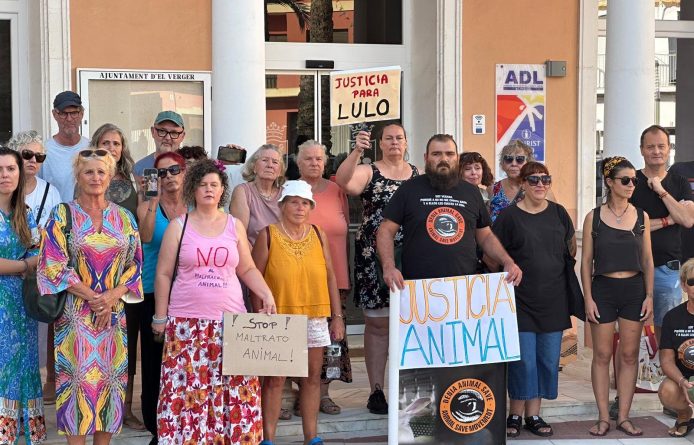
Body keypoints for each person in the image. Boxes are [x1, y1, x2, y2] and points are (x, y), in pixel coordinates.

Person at [376, 135, 521, 433]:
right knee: (420, 366)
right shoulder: (409, 190)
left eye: (449, 154)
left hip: (462, 296)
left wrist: (507, 261)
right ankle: (419, 430)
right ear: (426, 156)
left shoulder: (470, 193)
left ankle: (458, 425)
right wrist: (389, 267)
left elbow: (485, 236)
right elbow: (385, 231)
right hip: (418, 297)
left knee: (459, 364)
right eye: (437, 154)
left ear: (457, 157)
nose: (444, 159)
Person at [152, 158, 275, 444]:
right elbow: (163, 274)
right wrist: (160, 317)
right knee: (188, 397)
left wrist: (266, 292)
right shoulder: (178, 227)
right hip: (187, 327)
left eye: (214, 185)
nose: (209, 190)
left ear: (222, 190)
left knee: (235, 394)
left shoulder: (235, 226)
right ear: (193, 190)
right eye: (203, 185)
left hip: (230, 326)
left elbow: (246, 268)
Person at [37, 148, 143, 443]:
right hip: (74, 318)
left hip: (112, 317)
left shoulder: (125, 217)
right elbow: (53, 264)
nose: (95, 177)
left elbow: (136, 266)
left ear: (110, 177)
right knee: (76, 388)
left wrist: (110, 297)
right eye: (88, 172)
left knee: (111, 387)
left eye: (101, 172)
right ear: (78, 176)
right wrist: (95, 298)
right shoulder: (62, 214)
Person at [252, 180, 345, 445]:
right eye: (294, 201)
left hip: (315, 315)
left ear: (311, 207)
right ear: (282, 205)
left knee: (312, 377)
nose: (299, 207)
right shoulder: (267, 234)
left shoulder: (318, 233)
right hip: (279, 318)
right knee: (275, 380)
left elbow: (330, 275)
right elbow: (254, 280)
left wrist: (336, 316)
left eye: (305, 203)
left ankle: (311, 437)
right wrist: (259, 316)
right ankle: (267, 439)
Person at [335, 124, 419, 414]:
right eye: (389, 138)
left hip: (413, 256)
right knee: (378, 324)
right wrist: (357, 151)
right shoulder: (371, 170)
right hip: (374, 255)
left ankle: (406, 387)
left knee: (413, 324)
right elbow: (345, 183)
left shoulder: (419, 174)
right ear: (380, 143)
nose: (394, 142)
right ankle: (376, 390)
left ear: (407, 142)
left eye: (399, 137)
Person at [491, 162, 577, 437]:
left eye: (545, 179)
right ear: (524, 184)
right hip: (520, 299)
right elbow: (491, 254)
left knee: (547, 360)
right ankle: (514, 414)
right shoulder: (508, 217)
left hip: (554, 297)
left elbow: (570, 248)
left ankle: (534, 415)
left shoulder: (559, 213)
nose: (541, 184)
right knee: (522, 360)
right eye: (534, 180)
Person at [580, 156, 654, 437]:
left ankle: (623, 416)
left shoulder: (642, 217)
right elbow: (586, 262)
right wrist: (588, 298)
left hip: (634, 291)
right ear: (610, 183)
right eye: (625, 180)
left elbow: (647, 260)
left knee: (629, 354)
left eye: (634, 180)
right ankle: (602, 417)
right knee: (601, 354)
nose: (631, 185)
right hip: (604, 290)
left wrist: (649, 295)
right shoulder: (594, 217)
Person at [90, 123, 145, 431]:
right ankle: (95, 410)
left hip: (125, 274)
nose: (111, 147)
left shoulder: (133, 180)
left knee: (125, 349)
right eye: (106, 142)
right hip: (90, 281)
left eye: (116, 143)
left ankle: (122, 407)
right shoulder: (89, 176)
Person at [297, 140, 352, 416]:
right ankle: (298, 393)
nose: (314, 163)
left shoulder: (336, 190)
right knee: (300, 339)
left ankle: (323, 394)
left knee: (331, 339)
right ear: (298, 163)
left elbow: (344, 226)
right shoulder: (292, 191)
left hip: (336, 276)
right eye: (308, 159)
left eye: (319, 159)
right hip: (300, 277)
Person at [7, 130, 63, 404]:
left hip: (35, 273)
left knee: (32, 344)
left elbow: (58, 235)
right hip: (12, 272)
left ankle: (24, 411)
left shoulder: (49, 192)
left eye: (39, 156)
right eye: (27, 155)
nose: (32, 161)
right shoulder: (6, 191)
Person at [135, 152, 187, 445]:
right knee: (155, 359)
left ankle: (180, 417)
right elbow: (144, 237)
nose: (168, 177)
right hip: (152, 290)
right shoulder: (146, 206)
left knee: (181, 358)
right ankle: (156, 427)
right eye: (161, 173)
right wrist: (153, 202)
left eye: (173, 170)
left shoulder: (195, 205)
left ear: (184, 172)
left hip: (187, 290)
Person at [629, 125, 694, 343]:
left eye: (661, 146)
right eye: (650, 147)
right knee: (631, 332)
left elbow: (687, 220)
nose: (656, 151)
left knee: (666, 332)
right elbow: (631, 226)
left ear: (669, 149)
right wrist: (668, 219)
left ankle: (662, 377)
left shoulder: (679, 182)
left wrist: (660, 190)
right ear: (641, 150)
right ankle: (632, 376)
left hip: (668, 269)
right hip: (633, 268)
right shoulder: (631, 182)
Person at [0, 146, 46, 444]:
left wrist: (28, 264)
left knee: (25, 367)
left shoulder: (24, 213)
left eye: (10, 169)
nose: (4, 175)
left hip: (22, 307)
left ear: (20, 172)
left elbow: (40, 252)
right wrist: (23, 265)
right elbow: (29, 260)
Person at [658, 258, 694, 437]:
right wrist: (682, 382)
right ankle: (684, 415)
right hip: (684, 379)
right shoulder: (672, 318)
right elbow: (666, 360)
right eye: (692, 281)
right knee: (666, 390)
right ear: (683, 285)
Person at [229, 144, 285, 246]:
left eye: (275, 162)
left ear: (280, 171)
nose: (270, 165)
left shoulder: (285, 194)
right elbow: (240, 236)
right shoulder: (243, 192)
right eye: (264, 160)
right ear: (254, 167)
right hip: (252, 256)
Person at [40, 91, 90, 201]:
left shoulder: (91, 148)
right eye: (63, 113)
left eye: (74, 113)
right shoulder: (43, 152)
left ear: (81, 114)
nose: (69, 119)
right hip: (55, 217)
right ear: (54, 114)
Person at [489, 140, 533, 221]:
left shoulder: (537, 187)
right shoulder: (492, 189)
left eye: (519, 159)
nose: (514, 163)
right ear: (502, 164)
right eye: (509, 159)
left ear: (528, 163)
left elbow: (553, 217)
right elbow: (483, 223)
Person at [133, 111, 186, 178]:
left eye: (174, 133)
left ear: (183, 136)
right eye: (162, 131)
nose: (168, 138)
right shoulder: (139, 169)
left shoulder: (190, 166)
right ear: (152, 132)